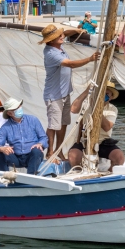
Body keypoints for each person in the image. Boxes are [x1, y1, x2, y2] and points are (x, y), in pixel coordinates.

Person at [40, 24, 100, 162]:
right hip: (54, 95)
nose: (61, 36)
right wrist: (90, 59)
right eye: (58, 36)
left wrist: (78, 30)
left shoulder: (57, 44)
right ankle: (50, 153)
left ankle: (59, 151)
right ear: (51, 40)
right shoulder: (51, 53)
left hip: (64, 92)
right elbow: (71, 64)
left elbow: (65, 33)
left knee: (63, 123)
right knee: (53, 125)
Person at [67, 83, 125, 170]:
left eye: (107, 94)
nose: (103, 95)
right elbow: (73, 109)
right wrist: (86, 92)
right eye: (101, 93)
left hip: (103, 142)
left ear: (111, 97)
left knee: (119, 158)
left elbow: (107, 127)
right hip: (85, 140)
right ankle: (80, 174)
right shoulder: (86, 104)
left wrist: (97, 108)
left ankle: (107, 177)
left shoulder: (112, 109)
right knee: (73, 156)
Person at [0, 97, 48, 175]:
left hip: (32, 155)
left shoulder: (33, 120)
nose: (19, 108)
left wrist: (40, 144)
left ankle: (31, 178)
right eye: (16, 108)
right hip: (16, 158)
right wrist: (2, 148)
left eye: (19, 106)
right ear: (9, 113)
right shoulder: (5, 127)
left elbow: (43, 138)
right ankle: (3, 179)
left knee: (36, 150)